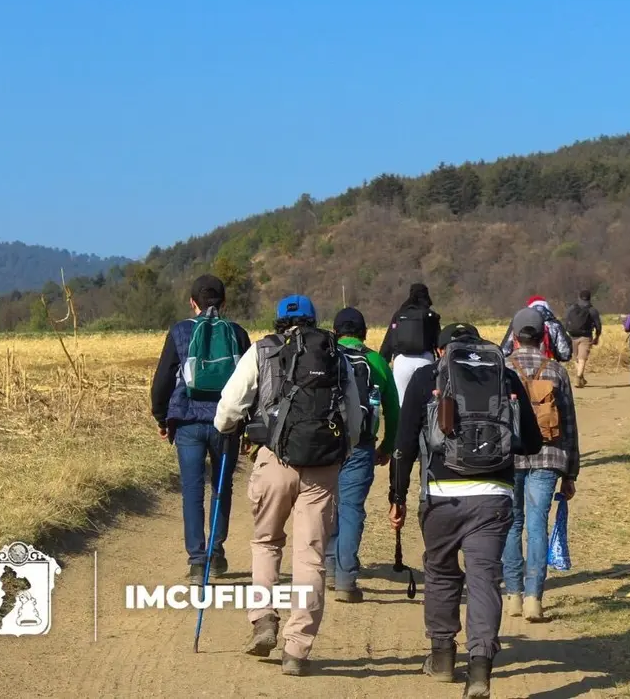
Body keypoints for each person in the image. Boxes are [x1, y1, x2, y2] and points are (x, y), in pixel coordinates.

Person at [390, 323, 544, 698]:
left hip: (442, 497)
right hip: (493, 496)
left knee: (441, 574)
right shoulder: (504, 377)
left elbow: (404, 443)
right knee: (483, 580)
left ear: (442, 351)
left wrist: (398, 496)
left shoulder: (427, 377)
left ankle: (442, 659)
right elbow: (531, 443)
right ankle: (479, 670)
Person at [215, 295, 363, 677]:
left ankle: (264, 619)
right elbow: (354, 413)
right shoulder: (335, 354)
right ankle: (297, 650)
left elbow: (230, 406)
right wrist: (342, 451)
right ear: (315, 320)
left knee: (266, 542)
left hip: (274, 459)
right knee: (310, 556)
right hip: (323, 466)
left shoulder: (262, 352)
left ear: (279, 321)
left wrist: (227, 428)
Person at [150, 275, 252, 580]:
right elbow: (249, 382)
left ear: (192, 302)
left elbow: (163, 379)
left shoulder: (180, 331)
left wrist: (161, 416)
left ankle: (196, 561)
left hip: (187, 420)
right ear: (224, 302)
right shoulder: (236, 332)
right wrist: (248, 424)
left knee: (192, 489)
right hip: (227, 422)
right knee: (222, 487)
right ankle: (216, 553)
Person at [503, 308, 580, 623]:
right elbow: (570, 424)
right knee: (537, 526)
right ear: (542, 336)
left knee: (511, 524)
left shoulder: (502, 367)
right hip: (548, 457)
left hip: (509, 457)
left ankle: (513, 596)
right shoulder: (557, 371)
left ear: (515, 337)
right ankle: (535, 598)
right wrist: (570, 472)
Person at [325, 307, 400, 603]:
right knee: (352, 508)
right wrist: (388, 446)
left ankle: (329, 568)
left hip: (326, 445)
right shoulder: (376, 361)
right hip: (361, 445)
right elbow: (394, 410)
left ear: (335, 333)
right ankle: (345, 580)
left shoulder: (324, 356)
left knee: (328, 504)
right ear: (365, 333)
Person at [380, 283, 442, 404]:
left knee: (402, 404)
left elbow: (390, 340)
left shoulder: (399, 315)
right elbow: (439, 342)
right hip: (425, 360)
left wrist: (383, 362)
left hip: (402, 362)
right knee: (426, 403)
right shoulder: (430, 316)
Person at [500, 296, 573, 363]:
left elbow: (504, 350)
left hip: (519, 366)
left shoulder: (519, 322)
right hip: (546, 366)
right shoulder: (555, 324)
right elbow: (565, 353)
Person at [562, 290, 602, 389]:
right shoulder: (592, 310)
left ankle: (581, 377)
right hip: (586, 335)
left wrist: (566, 331)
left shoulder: (572, 308)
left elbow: (566, 320)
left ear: (579, 297)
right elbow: (598, 324)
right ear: (589, 298)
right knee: (582, 358)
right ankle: (578, 377)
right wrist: (597, 335)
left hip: (572, 335)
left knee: (576, 358)